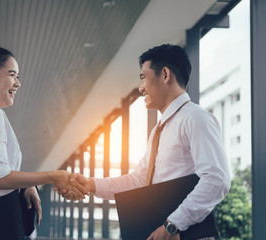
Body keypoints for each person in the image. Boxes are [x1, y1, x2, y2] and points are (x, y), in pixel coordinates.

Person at [57, 44, 231, 240]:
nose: (140, 88)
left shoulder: (195, 118)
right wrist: (90, 184)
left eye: (143, 77)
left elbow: (217, 179)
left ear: (165, 75)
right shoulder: (159, 131)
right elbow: (139, 181)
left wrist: (172, 225)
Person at [0, 44, 87, 240]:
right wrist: (53, 176)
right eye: (12, 75)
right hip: (0, 223)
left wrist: (25, 186)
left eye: (18, 76)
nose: (18, 83)